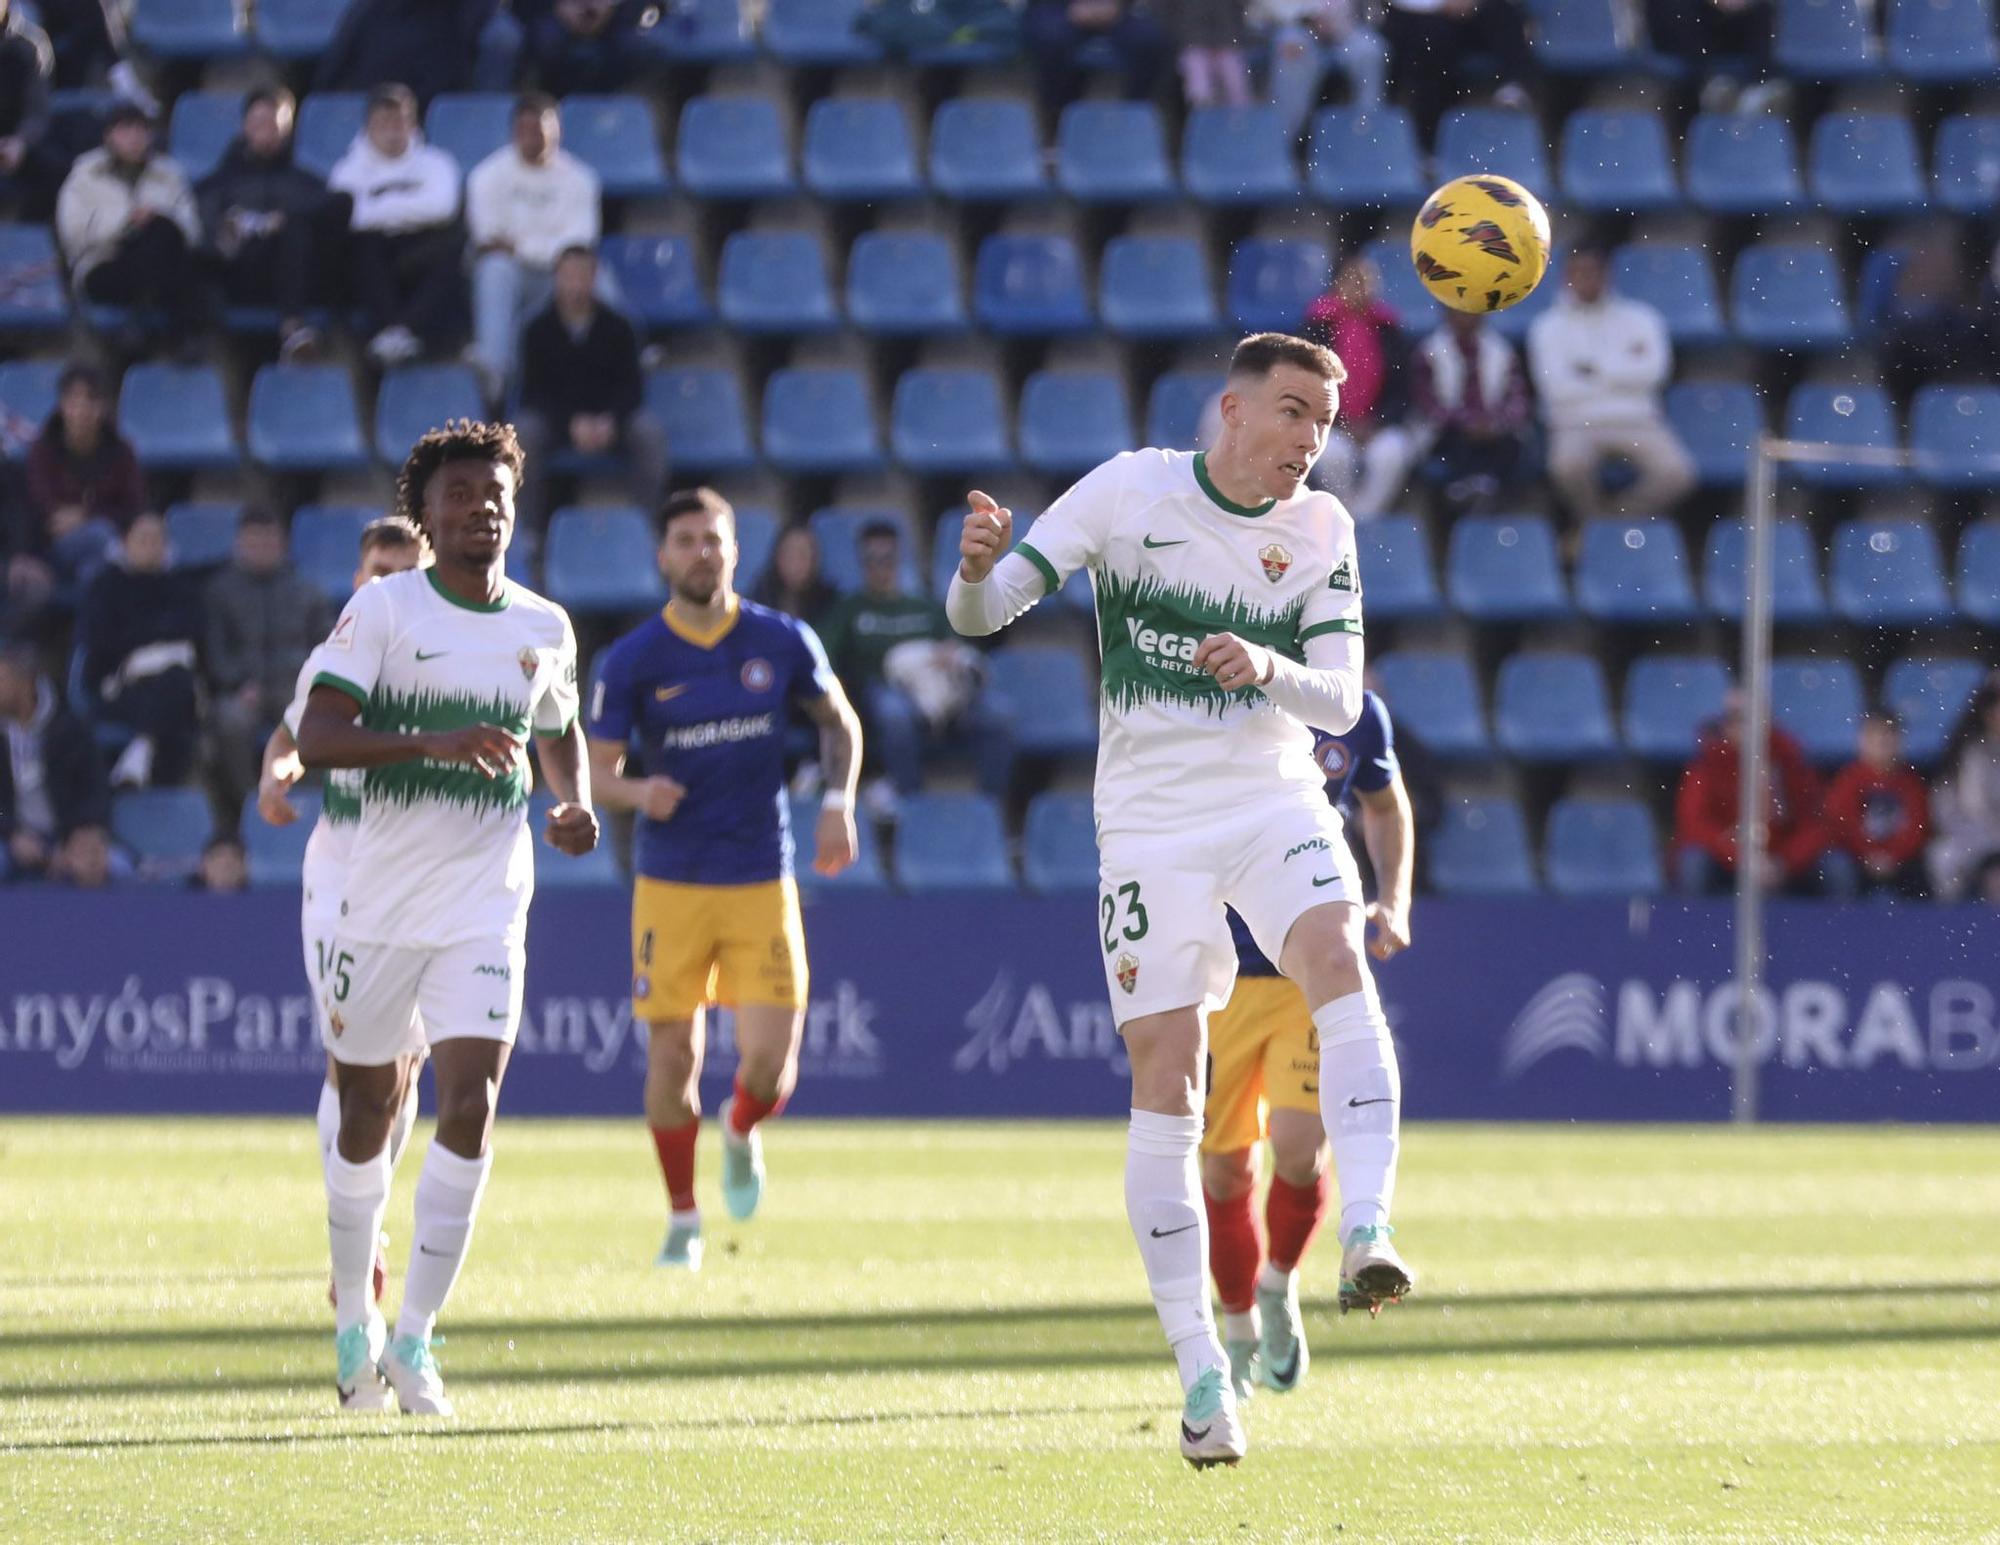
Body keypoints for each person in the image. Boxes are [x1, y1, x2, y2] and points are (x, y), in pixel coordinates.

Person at [946, 332, 1414, 1468]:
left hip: (1269, 797)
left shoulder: (1320, 530)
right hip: (1149, 829)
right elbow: (982, 615)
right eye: (1294, 411)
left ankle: (1367, 1230)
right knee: (1167, 1077)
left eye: (1324, 420)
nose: (1310, 440)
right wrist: (971, 569)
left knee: (1337, 959)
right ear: (1232, 410)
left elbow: (1343, 697)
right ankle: (1202, 1373)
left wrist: (1269, 669)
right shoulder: (1128, 489)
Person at [294, 420, 597, 1416]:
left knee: (469, 1103)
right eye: (460, 492)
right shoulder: (384, 610)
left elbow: (559, 730)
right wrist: (433, 741)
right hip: (375, 904)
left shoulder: (543, 627)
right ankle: (353, 1311)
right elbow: (320, 736)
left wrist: (574, 802)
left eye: (497, 491)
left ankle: (417, 1336)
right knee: (368, 1115)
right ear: (425, 515)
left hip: (484, 902)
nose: (482, 506)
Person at [586, 487, 863, 1270]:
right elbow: (592, 772)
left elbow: (838, 720)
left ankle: (741, 1127)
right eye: (685, 540)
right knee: (672, 1059)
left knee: (773, 1065)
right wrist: (641, 792)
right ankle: (682, 1217)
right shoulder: (635, 657)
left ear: (735, 550)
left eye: (713, 539)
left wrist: (838, 802)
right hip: (671, 881)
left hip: (759, 874)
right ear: (662, 555)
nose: (700, 552)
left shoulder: (781, 638)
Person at [1202, 688, 1413, 1399]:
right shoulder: (1210, 700)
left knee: (1298, 1149)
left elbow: (1385, 802)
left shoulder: (1355, 712)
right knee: (1226, 1172)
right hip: (1218, 976)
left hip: (1305, 970)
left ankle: (1276, 1284)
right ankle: (1235, 1329)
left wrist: (1395, 897)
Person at [261, 514, 427, 1313]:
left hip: (430, 883)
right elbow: (290, 733)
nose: (384, 582)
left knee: (405, 1072)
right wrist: (278, 774)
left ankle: (368, 1220)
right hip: (343, 879)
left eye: (401, 570)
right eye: (374, 569)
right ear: (357, 575)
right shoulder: (337, 658)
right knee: (352, 1063)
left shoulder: (445, 661)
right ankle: (353, 1245)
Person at [821, 519, 1015, 807]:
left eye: (887, 558)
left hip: (943, 690)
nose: (880, 567)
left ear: (899, 559)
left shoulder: (925, 606)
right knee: (894, 714)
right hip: (885, 691)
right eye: (872, 559)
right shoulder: (850, 609)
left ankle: (990, 812)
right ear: (862, 562)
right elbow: (825, 655)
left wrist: (951, 654)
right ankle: (909, 807)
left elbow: (960, 643)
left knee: (1000, 715)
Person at [1527, 245, 1695, 526]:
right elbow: (1556, 388)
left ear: (1607, 275)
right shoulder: (1547, 327)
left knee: (1678, 474)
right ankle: (1599, 524)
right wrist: (1625, 370)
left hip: (1638, 421)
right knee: (1566, 468)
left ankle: (1609, 523)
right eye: (1579, 273)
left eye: (1593, 272)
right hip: (1575, 423)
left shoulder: (1642, 318)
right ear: (1566, 277)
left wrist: (1590, 369)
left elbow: (1655, 373)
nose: (1587, 279)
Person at [513, 245, 667, 528]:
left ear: (594, 278)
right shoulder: (536, 330)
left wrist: (610, 420)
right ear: (556, 278)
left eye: (582, 276)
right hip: (557, 423)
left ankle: (647, 528)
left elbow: (632, 388)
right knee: (524, 433)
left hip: (611, 421)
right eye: (568, 276)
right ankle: (528, 534)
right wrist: (570, 424)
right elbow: (532, 393)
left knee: (649, 432)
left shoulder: (620, 327)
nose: (575, 285)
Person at [196, 87, 346, 363]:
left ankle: (292, 326)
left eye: (274, 123)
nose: (267, 131)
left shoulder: (304, 182)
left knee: (297, 228)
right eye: (259, 123)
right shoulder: (219, 182)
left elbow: (338, 206)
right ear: (244, 126)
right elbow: (201, 224)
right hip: (238, 275)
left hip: (297, 277)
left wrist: (279, 220)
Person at [465, 94, 601, 399]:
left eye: (539, 128)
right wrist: (544, 248)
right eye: (524, 129)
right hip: (515, 274)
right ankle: (495, 371)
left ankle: (624, 352)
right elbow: (487, 237)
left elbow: (580, 241)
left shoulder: (581, 179)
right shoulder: (487, 176)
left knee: (597, 275)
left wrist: (520, 245)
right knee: (495, 269)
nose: (533, 137)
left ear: (557, 131)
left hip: (563, 273)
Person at [203, 508, 335, 815]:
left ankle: (306, 803)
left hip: (295, 686)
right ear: (239, 543)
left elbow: (329, 647)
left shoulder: (306, 591)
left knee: (317, 722)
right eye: (255, 541)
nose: (263, 548)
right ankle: (250, 803)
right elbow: (214, 651)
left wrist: (310, 685)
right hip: (243, 690)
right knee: (230, 722)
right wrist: (236, 683)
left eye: (270, 541)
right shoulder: (218, 592)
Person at [328, 83, 466, 368]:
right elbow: (348, 216)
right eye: (383, 121)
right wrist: (410, 206)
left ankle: (400, 331)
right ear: (369, 125)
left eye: (399, 120)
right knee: (363, 244)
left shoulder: (438, 163)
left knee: (453, 245)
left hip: (421, 252)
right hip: (373, 260)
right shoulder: (347, 169)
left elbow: (442, 207)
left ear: (412, 122)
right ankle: (393, 329)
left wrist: (380, 205)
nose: (392, 128)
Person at [54, 101, 209, 350]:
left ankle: (139, 316)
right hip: (105, 264)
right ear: (109, 136)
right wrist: (125, 221)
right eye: (125, 130)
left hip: (162, 262)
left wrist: (157, 218)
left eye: (141, 130)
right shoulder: (84, 176)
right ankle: (178, 330)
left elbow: (191, 229)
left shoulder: (169, 175)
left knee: (161, 232)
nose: (134, 138)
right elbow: (72, 232)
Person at [76, 511, 202, 788]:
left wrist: (144, 640)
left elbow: (192, 628)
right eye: (143, 539)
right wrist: (153, 641)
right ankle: (151, 770)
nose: (151, 546)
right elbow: (101, 642)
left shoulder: (180, 585)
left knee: (178, 683)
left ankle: (142, 750)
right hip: (117, 685)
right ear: (125, 542)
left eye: (158, 539)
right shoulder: (105, 586)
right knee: (179, 701)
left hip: (168, 683)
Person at [1673, 693, 1826, 896]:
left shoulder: (1790, 760)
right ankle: (1694, 924)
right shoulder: (1709, 763)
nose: (1746, 726)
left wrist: (1786, 861)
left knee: (1834, 867)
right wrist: (1741, 857)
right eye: (1737, 718)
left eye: (1754, 717)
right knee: (1694, 862)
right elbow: (1694, 823)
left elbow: (1815, 823)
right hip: (1727, 859)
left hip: (1780, 858)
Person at [20, 363, 141, 611]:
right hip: (53, 550)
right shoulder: (43, 449)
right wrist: (73, 520)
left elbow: (135, 507)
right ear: (61, 405)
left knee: (95, 571)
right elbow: (40, 505)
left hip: (103, 545)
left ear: (103, 407)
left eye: (91, 400)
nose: (82, 409)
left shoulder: (121, 450)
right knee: (102, 539)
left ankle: (86, 646)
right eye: (73, 400)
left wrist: (87, 515)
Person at [1300, 255, 1412, 517]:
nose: (1360, 287)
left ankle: (1364, 518)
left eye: (1366, 281)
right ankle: (1342, 513)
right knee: (1332, 456)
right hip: (1331, 426)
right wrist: (1339, 423)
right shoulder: (1319, 327)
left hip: (1378, 427)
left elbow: (1402, 388)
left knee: (1392, 453)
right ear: (1337, 286)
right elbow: (1307, 382)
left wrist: (1379, 422)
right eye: (1352, 281)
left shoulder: (1388, 329)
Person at [0, 639, 108, 881]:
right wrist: (12, 833)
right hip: (12, 838)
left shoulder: (71, 729)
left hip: (68, 834)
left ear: (24, 682)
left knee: (113, 868)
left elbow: (94, 790)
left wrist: (78, 838)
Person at [1408, 308, 1532, 514]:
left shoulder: (1501, 349)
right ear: (1446, 314)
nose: (1466, 317)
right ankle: (1461, 491)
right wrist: (1466, 422)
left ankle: (1486, 487)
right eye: (1459, 312)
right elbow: (1426, 403)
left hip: (1494, 434)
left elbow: (1518, 399)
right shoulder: (1429, 350)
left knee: (1513, 444)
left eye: (1471, 311)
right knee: (1453, 442)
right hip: (1449, 434)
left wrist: (1495, 422)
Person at [316, 0, 522, 108]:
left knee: (501, 38)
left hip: (440, 85)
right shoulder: (370, 10)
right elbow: (338, 57)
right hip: (383, 96)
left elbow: (479, 17)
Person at [1382, 0, 1533, 144]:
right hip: (1417, 17)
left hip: (1468, 13)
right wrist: (1439, 4)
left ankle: (1512, 86)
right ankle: (1430, 144)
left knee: (1503, 12)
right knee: (1431, 44)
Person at [1823, 713, 1928, 900]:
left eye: (1888, 736)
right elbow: (1841, 824)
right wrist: (1866, 854)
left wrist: (1894, 855)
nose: (1882, 743)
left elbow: (1918, 827)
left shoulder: (1911, 783)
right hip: (1856, 858)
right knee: (1837, 866)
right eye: (1875, 737)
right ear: (1862, 741)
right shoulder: (1848, 780)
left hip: (1900, 861)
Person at [1254, 0, 1387, 136]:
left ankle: (1367, 132)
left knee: (1370, 52)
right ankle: (1284, 136)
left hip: (1345, 28)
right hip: (1298, 28)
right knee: (1292, 50)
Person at [1022, 0, 1173, 112]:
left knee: (1150, 40)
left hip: (1119, 10)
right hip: (1055, 9)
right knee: (1050, 38)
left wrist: (1116, 5)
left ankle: (1134, 113)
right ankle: (1059, 117)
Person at [1927, 679, 2000, 904]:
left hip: (1993, 838)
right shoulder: (1966, 752)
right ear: (1987, 714)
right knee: (1943, 857)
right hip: (1969, 837)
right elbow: (1967, 808)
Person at [524, 0, 653, 95]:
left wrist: (607, 11)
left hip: (614, 23)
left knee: (634, 44)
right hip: (555, 17)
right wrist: (561, 10)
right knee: (545, 37)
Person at [0, 0, 55, 216]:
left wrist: (20, 142)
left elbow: (37, 108)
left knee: (53, 166)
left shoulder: (30, 45)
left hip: (16, 141)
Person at [1159, 0, 1254, 107]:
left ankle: (1242, 120)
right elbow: (1167, 15)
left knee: (1235, 83)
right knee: (1199, 86)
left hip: (1227, 44)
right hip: (1192, 44)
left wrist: (1223, 42)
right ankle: (1202, 118)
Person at [752, 525, 837, 634]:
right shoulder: (760, 597)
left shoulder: (831, 604)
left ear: (814, 559)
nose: (794, 563)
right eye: (788, 554)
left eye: (802, 555)